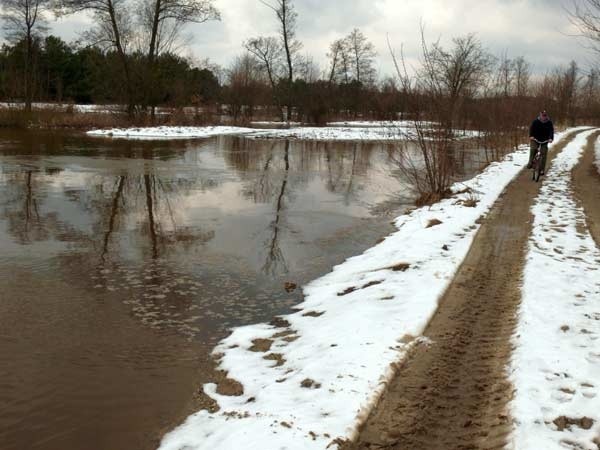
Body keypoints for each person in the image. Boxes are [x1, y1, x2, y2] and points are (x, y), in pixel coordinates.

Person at [527, 110, 554, 175]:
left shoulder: (549, 122)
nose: (544, 117)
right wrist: (531, 136)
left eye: (545, 116)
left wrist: (550, 138)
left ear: (546, 116)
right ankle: (530, 162)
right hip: (535, 139)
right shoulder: (535, 121)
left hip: (545, 140)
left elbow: (551, 131)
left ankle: (541, 170)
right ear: (540, 115)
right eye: (542, 116)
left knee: (544, 153)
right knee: (533, 149)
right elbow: (531, 129)